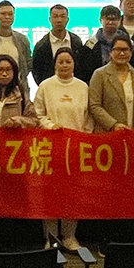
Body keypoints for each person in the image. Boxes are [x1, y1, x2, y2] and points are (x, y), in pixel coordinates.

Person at [35, 49, 91, 250]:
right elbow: (38, 114)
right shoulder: (45, 86)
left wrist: (83, 136)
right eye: (61, 62)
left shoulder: (83, 87)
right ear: (55, 64)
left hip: (75, 148)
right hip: (51, 148)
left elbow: (89, 116)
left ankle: (69, 236)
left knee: (72, 194)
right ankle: (51, 238)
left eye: (68, 61)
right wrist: (50, 127)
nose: (65, 65)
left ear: (74, 64)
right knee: (50, 194)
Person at [88, 34, 134, 131]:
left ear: (131, 52)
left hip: (132, 133)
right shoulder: (100, 74)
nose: (122, 53)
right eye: (117, 49)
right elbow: (94, 105)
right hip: (107, 133)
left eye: (125, 50)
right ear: (110, 52)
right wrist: (114, 125)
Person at [31, 4, 87, 85]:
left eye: (62, 16)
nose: (59, 20)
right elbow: (36, 71)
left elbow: (82, 67)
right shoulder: (41, 45)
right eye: (55, 16)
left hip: (74, 86)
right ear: (50, 19)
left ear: (67, 19)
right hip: (51, 88)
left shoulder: (76, 41)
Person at [0, 55, 37, 127]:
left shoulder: (21, 94)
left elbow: (34, 121)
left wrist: (18, 121)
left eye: (8, 70)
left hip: (12, 134)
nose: (4, 74)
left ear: (14, 72)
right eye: (0, 70)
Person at [81, 5, 125, 77]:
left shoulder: (128, 42)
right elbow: (86, 70)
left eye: (114, 19)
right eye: (107, 19)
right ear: (100, 20)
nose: (110, 22)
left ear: (120, 20)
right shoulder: (91, 44)